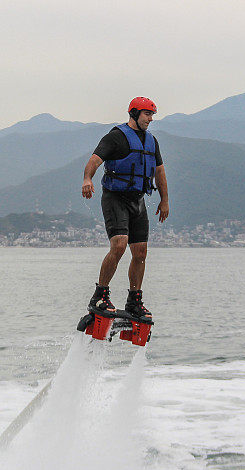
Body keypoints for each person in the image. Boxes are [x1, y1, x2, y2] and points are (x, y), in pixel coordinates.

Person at [81, 96, 169, 319]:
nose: (150, 119)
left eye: (152, 115)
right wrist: (87, 179)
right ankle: (100, 296)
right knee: (119, 245)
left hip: (137, 200)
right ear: (134, 114)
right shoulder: (116, 137)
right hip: (115, 198)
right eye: (147, 114)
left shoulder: (152, 141)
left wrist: (165, 200)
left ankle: (134, 301)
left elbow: (159, 172)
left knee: (140, 252)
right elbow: (95, 159)